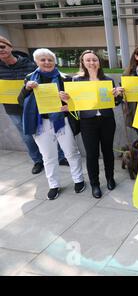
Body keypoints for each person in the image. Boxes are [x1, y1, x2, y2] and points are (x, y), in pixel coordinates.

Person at [17, 48, 84, 200]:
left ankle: (78, 179)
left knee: (71, 152)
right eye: (43, 59)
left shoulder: (65, 78)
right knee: (48, 156)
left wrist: (68, 102)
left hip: (62, 121)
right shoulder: (30, 78)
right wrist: (27, 89)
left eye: (50, 60)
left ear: (54, 61)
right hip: (41, 123)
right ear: (36, 62)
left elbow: (76, 102)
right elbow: (20, 101)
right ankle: (54, 184)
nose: (47, 62)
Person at [0, 35, 67, 174]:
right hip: (13, 108)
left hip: (38, 106)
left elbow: (45, 76)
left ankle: (60, 157)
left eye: (2, 46)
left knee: (53, 129)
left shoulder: (29, 63)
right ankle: (37, 160)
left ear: (10, 47)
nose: (1, 50)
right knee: (27, 136)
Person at [64, 50, 124, 199]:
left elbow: (115, 103)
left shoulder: (108, 79)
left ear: (99, 62)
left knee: (108, 151)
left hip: (107, 120)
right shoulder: (76, 80)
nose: (92, 63)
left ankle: (110, 178)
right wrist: (66, 99)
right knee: (92, 154)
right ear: (83, 63)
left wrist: (118, 96)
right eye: (88, 60)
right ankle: (95, 184)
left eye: (94, 60)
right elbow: (73, 103)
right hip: (87, 121)